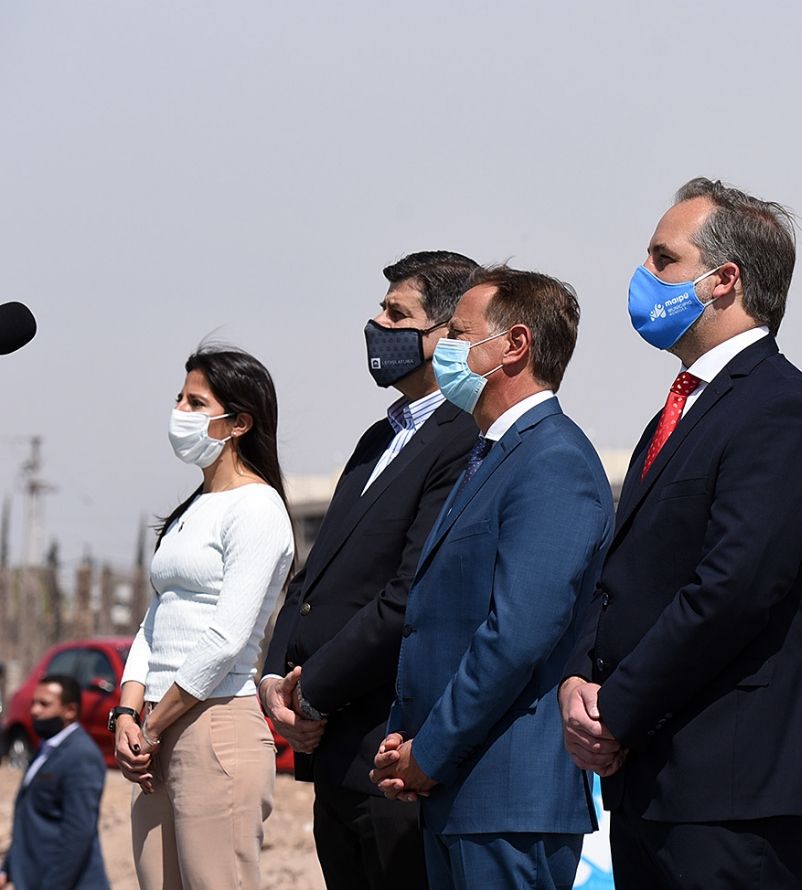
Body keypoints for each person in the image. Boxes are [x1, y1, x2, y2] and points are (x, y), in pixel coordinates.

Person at [559, 177, 802, 889]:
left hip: (731, 789)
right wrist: (580, 679)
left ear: (724, 280)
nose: (643, 275)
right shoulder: (681, 410)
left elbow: (733, 588)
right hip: (651, 780)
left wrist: (616, 710)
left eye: (664, 259)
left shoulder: (781, 410)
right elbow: (624, 575)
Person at [371, 264, 611, 890]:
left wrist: (429, 751)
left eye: (458, 333)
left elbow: (516, 635)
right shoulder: (492, 455)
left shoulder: (552, 460)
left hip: (507, 799)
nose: (442, 349)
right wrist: (407, 740)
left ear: (514, 345)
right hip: (460, 792)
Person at [260, 250, 480, 890]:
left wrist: (313, 691)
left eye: (396, 314)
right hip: (332, 753)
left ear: (446, 333)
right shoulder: (376, 439)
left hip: (390, 752)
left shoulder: (464, 438)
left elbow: (409, 593)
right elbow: (314, 578)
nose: (377, 325)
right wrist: (275, 677)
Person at [113, 347, 296, 889]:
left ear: (240, 423)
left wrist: (151, 725)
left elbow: (225, 638)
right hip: (157, 728)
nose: (180, 411)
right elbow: (155, 621)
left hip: (214, 725)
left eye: (197, 403)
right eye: (180, 398)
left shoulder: (257, 508)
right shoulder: (191, 510)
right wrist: (125, 713)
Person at [0, 676, 109, 890]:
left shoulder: (81, 755)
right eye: (34, 703)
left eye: (44, 704)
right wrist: (8, 869)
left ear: (70, 710)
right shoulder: (46, 748)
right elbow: (32, 817)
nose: (34, 711)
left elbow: (77, 833)